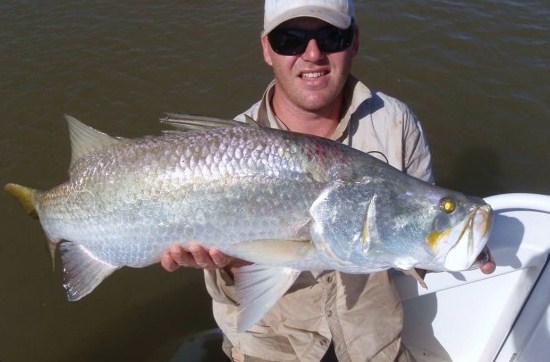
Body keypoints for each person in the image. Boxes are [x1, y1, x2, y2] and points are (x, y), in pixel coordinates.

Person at [161, 1, 496, 361]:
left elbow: (409, 227)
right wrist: (229, 264)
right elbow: (237, 295)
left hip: (374, 344)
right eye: (290, 39)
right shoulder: (225, 151)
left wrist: (448, 250)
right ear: (266, 49)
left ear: (353, 40)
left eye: (330, 36)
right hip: (272, 350)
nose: (312, 54)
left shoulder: (394, 123)